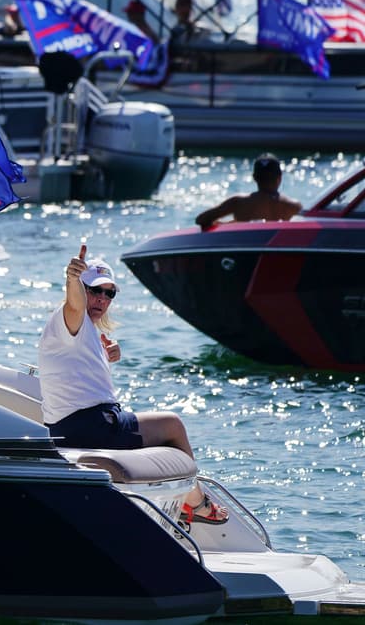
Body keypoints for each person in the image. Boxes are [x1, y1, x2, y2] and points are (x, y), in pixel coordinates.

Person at [38, 244, 228, 525]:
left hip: (71, 428)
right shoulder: (69, 316)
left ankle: (182, 502)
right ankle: (197, 504)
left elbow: (79, 369)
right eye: (94, 290)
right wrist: (72, 278)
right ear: (81, 289)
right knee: (172, 425)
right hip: (92, 426)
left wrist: (106, 354)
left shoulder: (84, 330)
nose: (101, 299)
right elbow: (74, 302)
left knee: (157, 427)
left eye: (109, 293)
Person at [195, 154, 302, 230]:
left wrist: (227, 225)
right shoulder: (294, 207)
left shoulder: (237, 202)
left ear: (254, 178)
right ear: (280, 178)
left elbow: (201, 219)